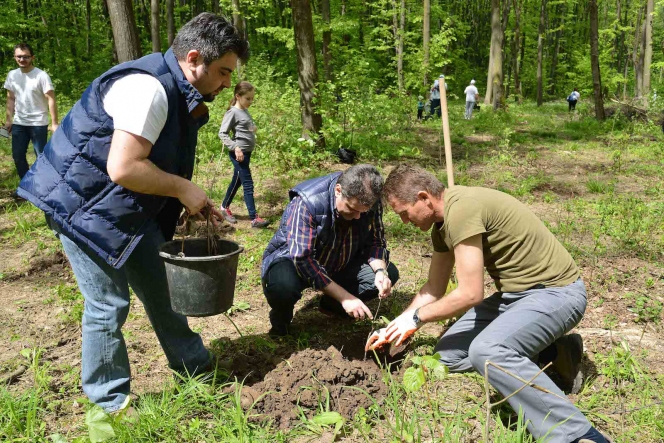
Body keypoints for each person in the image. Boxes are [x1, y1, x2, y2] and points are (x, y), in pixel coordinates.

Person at [17, 13, 249, 414]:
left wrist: (188, 202)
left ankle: (195, 368)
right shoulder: (149, 89)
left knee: (162, 286)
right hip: (78, 204)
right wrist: (181, 188)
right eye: (223, 72)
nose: (227, 83)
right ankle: (110, 404)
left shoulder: (174, 88)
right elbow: (123, 167)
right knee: (108, 303)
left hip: (116, 205)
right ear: (194, 58)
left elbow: (149, 163)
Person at [367, 165, 610, 443]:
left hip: (557, 293)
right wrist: (399, 323)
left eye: (404, 213)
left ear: (424, 197)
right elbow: (434, 289)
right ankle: (554, 352)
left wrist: (417, 318)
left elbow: (470, 294)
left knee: (488, 351)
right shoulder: (442, 226)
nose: (405, 222)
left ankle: (577, 434)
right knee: (447, 356)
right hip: (516, 298)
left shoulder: (463, 209)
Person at [261, 164, 399, 337]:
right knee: (282, 286)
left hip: (340, 260)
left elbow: (376, 241)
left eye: (362, 212)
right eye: (351, 209)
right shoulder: (307, 202)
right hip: (294, 262)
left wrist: (380, 270)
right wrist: (345, 297)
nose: (357, 216)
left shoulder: (369, 201)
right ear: (338, 191)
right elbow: (303, 259)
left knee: (389, 272)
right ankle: (281, 324)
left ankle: (331, 305)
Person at [218, 81, 269, 228]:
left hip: (247, 153)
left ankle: (224, 207)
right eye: (248, 98)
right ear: (238, 96)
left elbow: (244, 127)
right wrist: (236, 148)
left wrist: (252, 128)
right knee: (248, 184)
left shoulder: (245, 111)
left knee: (238, 180)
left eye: (252, 98)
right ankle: (254, 218)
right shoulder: (232, 112)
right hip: (238, 154)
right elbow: (222, 133)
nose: (250, 101)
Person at [3, 43, 59, 180]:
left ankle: (44, 186)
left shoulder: (41, 76)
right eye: (19, 57)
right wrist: (8, 121)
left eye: (26, 57)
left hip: (38, 123)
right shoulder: (12, 75)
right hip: (19, 123)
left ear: (32, 57)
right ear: (15, 57)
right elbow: (10, 99)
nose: (22, 59)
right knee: (17, 156)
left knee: (41, 156)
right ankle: (27, 185)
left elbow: (51, 99)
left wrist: (55, 123)